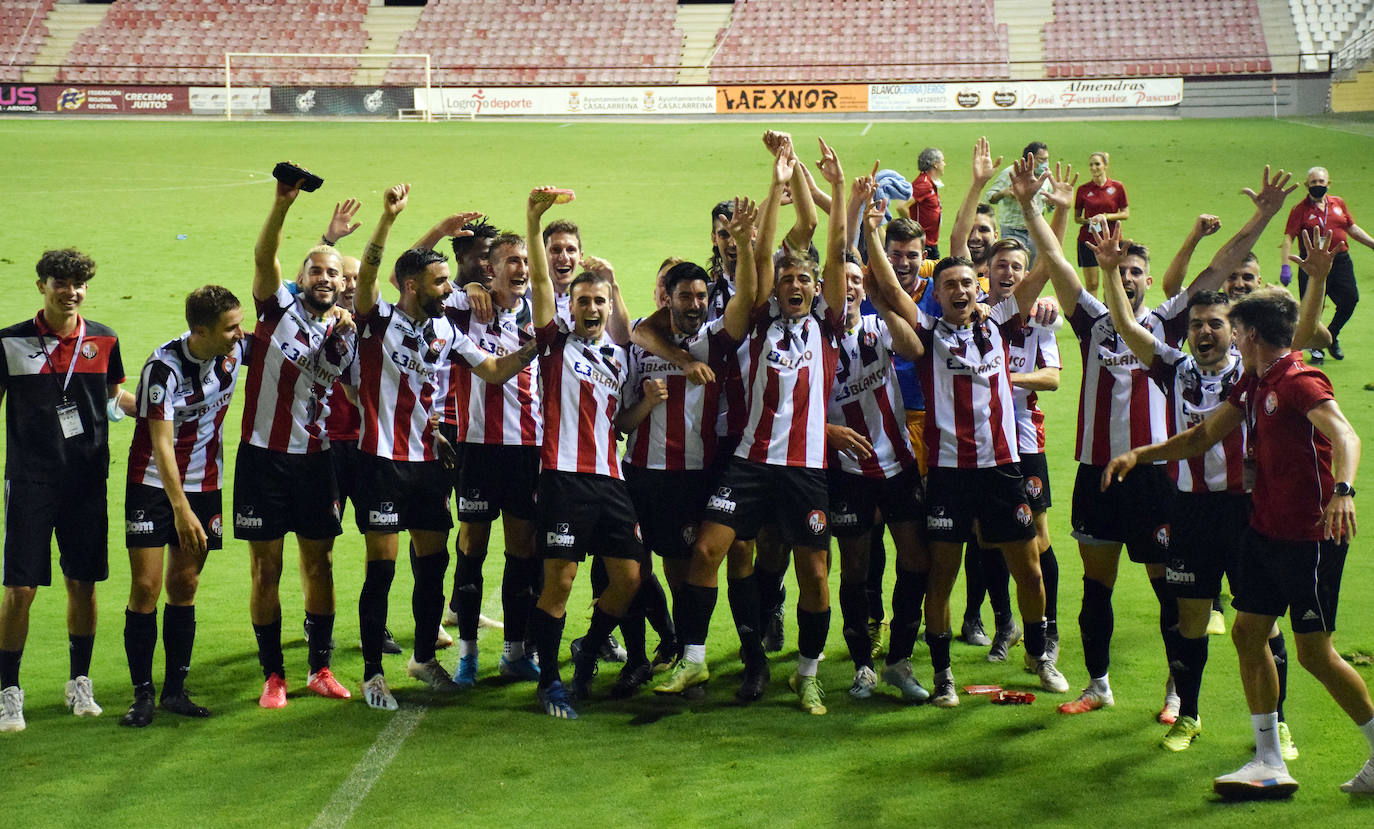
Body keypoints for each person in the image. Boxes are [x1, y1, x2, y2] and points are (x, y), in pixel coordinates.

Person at [1033, 164, 1296, 717]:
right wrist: (1041, 209)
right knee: (1095, 587)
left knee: (1171, 589)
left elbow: (1221, 263)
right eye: (1117, 269)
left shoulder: (1170, 325)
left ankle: (1178, 692)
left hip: (1157, 475)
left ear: (1148, 280)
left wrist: (1262, 215)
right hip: (1095, 468)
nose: (1125, 277)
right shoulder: (1093, 320)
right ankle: (1097, 685)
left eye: (1134, 271)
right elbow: (1056, 263)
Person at [1103, 274, 1372, 799]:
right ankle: (1268, 759)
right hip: (1266, 533)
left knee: (1316, 653)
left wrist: (1343, 489)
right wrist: (1142, 455)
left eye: (1234, 327)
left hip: (1311, 536)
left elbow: (1345, 433)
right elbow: (1205, 435)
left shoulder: (1297, 380)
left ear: (1248, 334)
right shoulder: (1255, 380)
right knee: (1249, 633)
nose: (1226, 336)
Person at [657, 139, 848, 716]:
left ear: (815, 289)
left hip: (806, 468)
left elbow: (836, 249)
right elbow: (760, 260)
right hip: (747, 460)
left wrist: (837, 191)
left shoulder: (830, 327)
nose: (795, 287)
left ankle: (807, 675)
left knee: (815, 572)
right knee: (709, 550)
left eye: (804, 282)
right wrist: (776, 181)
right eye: (787, 280)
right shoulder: (757, 320)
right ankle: (692, 659)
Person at [350, 187, 536, 710]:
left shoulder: (445, 331)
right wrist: (387, 221)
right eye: (440, 281)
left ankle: (422, 658)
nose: (450, 286)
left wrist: (537, 344)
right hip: (382, 462)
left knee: (432, 569)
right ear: (412, 285)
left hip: (429, 464)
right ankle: (371, 673)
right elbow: (369, 276)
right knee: (382, 570)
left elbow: (495, 370)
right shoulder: (377, 319)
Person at [235, 169, 357, 709]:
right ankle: (273, 674)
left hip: (314, 460)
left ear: (342, 282)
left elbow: (354, 392)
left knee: (321, 563)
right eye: (316, 270)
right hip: (261, 459)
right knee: (266, 567)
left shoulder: (347, 331)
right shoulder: (274, 308)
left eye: (332, 272)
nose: (324, 277)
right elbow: (265, 259)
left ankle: (320, 667)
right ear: (302, 277)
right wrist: (282, 205)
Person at [0, 249, 132, 733]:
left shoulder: (103, 338)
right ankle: (8, 691)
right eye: (61, 282)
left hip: (86, 481)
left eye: (79, 283)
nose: (71, 291)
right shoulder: (10, 342)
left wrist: (165, 409)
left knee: (84, 581)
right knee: (20, 588)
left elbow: (113, 396)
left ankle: (80, 682)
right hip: (31, 480)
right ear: (41, 286)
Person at [523, 187, 643, 720]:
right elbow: (543, 290)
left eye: (599, 301)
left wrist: (646, 406)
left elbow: (617, 421)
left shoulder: (620, 359)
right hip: (564, 479)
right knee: (561, 582)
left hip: (611, 482)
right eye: (583, 301)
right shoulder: (554, 344)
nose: (591, 309)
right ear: (570, 307)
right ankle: (549, 682)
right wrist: (532, 220)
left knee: (630, 578)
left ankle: (589, 646)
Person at [120, 285, 246, 727]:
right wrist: (180, 508)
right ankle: (142, 694)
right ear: (201, 330)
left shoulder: (231, 351)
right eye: (231, 328)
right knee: (146, 588)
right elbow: (161, 445)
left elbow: (285, 306)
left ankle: (175, 690)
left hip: (206, 484)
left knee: (186, 585)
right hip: (154, 485)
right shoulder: (163, 369)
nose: (239, 334)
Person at [442, 229, 546, 688]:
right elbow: (408, 282)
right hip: (479, 449)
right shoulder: (466, 310)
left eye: (526, 261)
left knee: (521, 552)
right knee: (472, 549)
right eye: (512, 261)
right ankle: (467, 655)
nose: (522, 269)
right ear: (491, 269)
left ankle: (515, 652)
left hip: (527, 449)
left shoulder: (542, 313)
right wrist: (468, 287)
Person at [1280, 166, 1374, 361]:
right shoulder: (1300, 210)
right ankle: (1315, 348)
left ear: (1328, 184)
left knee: (1350, 300)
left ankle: (1331, 335)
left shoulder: (1338, 203)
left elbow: (1351, 228)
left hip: (1340, 262)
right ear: (1307, 185)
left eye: (1321, 182)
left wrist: (1372, 244)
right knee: (1314, 308)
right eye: (1313, 183)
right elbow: (1288, 238)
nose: (1317, 186)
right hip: (1312, 264)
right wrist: (1285, 266)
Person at [986, 141, 1052, 262]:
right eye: (1041, 160)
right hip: (1012, 230)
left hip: (1036, 231)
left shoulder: (1045, 177)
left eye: (1046, 159)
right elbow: (990, 197)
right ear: (1029, 159)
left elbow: (1051, 203)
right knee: (1013, 266)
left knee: (1032, 272)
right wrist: (1004, 193)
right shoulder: (1010, 173)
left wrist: (1051, 203)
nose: (1045, 164)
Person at [1074, 151, 1129, 296]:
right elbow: (1077, 218)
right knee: (1092, 284)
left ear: (1105, 165)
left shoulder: (1117, 187)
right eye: (1091, 165)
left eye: (1097, 164)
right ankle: (1093, 317)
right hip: (1088, 241)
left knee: (1110, 282)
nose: (1093, 168)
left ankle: (1112, 315)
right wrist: (1089, 221)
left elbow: (1125, 213)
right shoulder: (1083, 190)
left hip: (1111, 241)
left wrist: (1105, 217)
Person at [906, 147, 944, 260]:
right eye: (942, 161)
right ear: (935, 164)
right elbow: (902, 206)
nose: (944, 164)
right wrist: (912, 230)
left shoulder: (930, 183)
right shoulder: (923, 184)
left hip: (930, 243)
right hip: (923, 245)